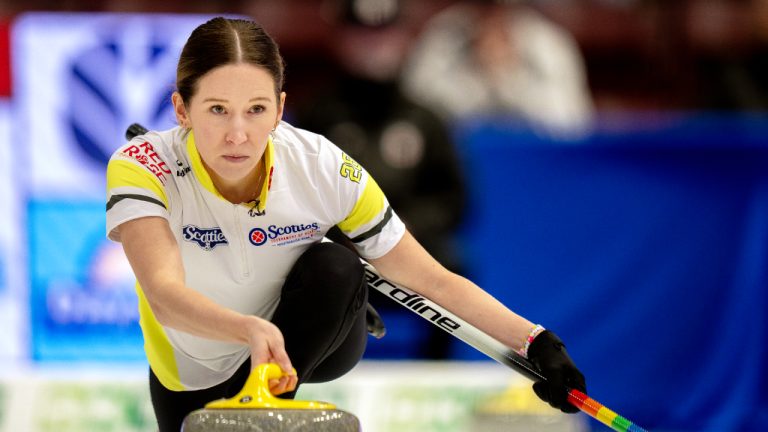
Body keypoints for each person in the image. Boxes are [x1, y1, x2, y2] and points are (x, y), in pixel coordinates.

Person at [105, 17, 587, 432]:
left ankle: (312, 347)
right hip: (193, 368)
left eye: (256, 110)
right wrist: (246, 329)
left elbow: (430, 278)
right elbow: (164, 296)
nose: (238, 134)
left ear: (279, 108)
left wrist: (537, 341)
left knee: (336, 263)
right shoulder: (143, 166)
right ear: (181, 109)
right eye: (217, 110)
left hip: (305, 344)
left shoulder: (323, 167)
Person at [293, 1, 466, 358]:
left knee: (454, 265)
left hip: (411, 248)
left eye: (385, 35)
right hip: (339, 250)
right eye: (363, 37)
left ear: (405, 39)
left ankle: (437, 375)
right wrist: (348, 237)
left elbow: (454, 198)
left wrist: (405, 229)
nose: (375, 47)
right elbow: (294, 195)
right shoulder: (317, 116)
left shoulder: (426, 118)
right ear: (341, 40)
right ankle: (312, 367)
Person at [400, 1, 594, 137]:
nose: (493, 9)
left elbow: (571, 127)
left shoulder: (549, 44)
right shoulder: (439, 40)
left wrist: (509, 79)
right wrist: (477, 79)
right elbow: (417, 123)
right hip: (459, 170)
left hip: (535, 172)